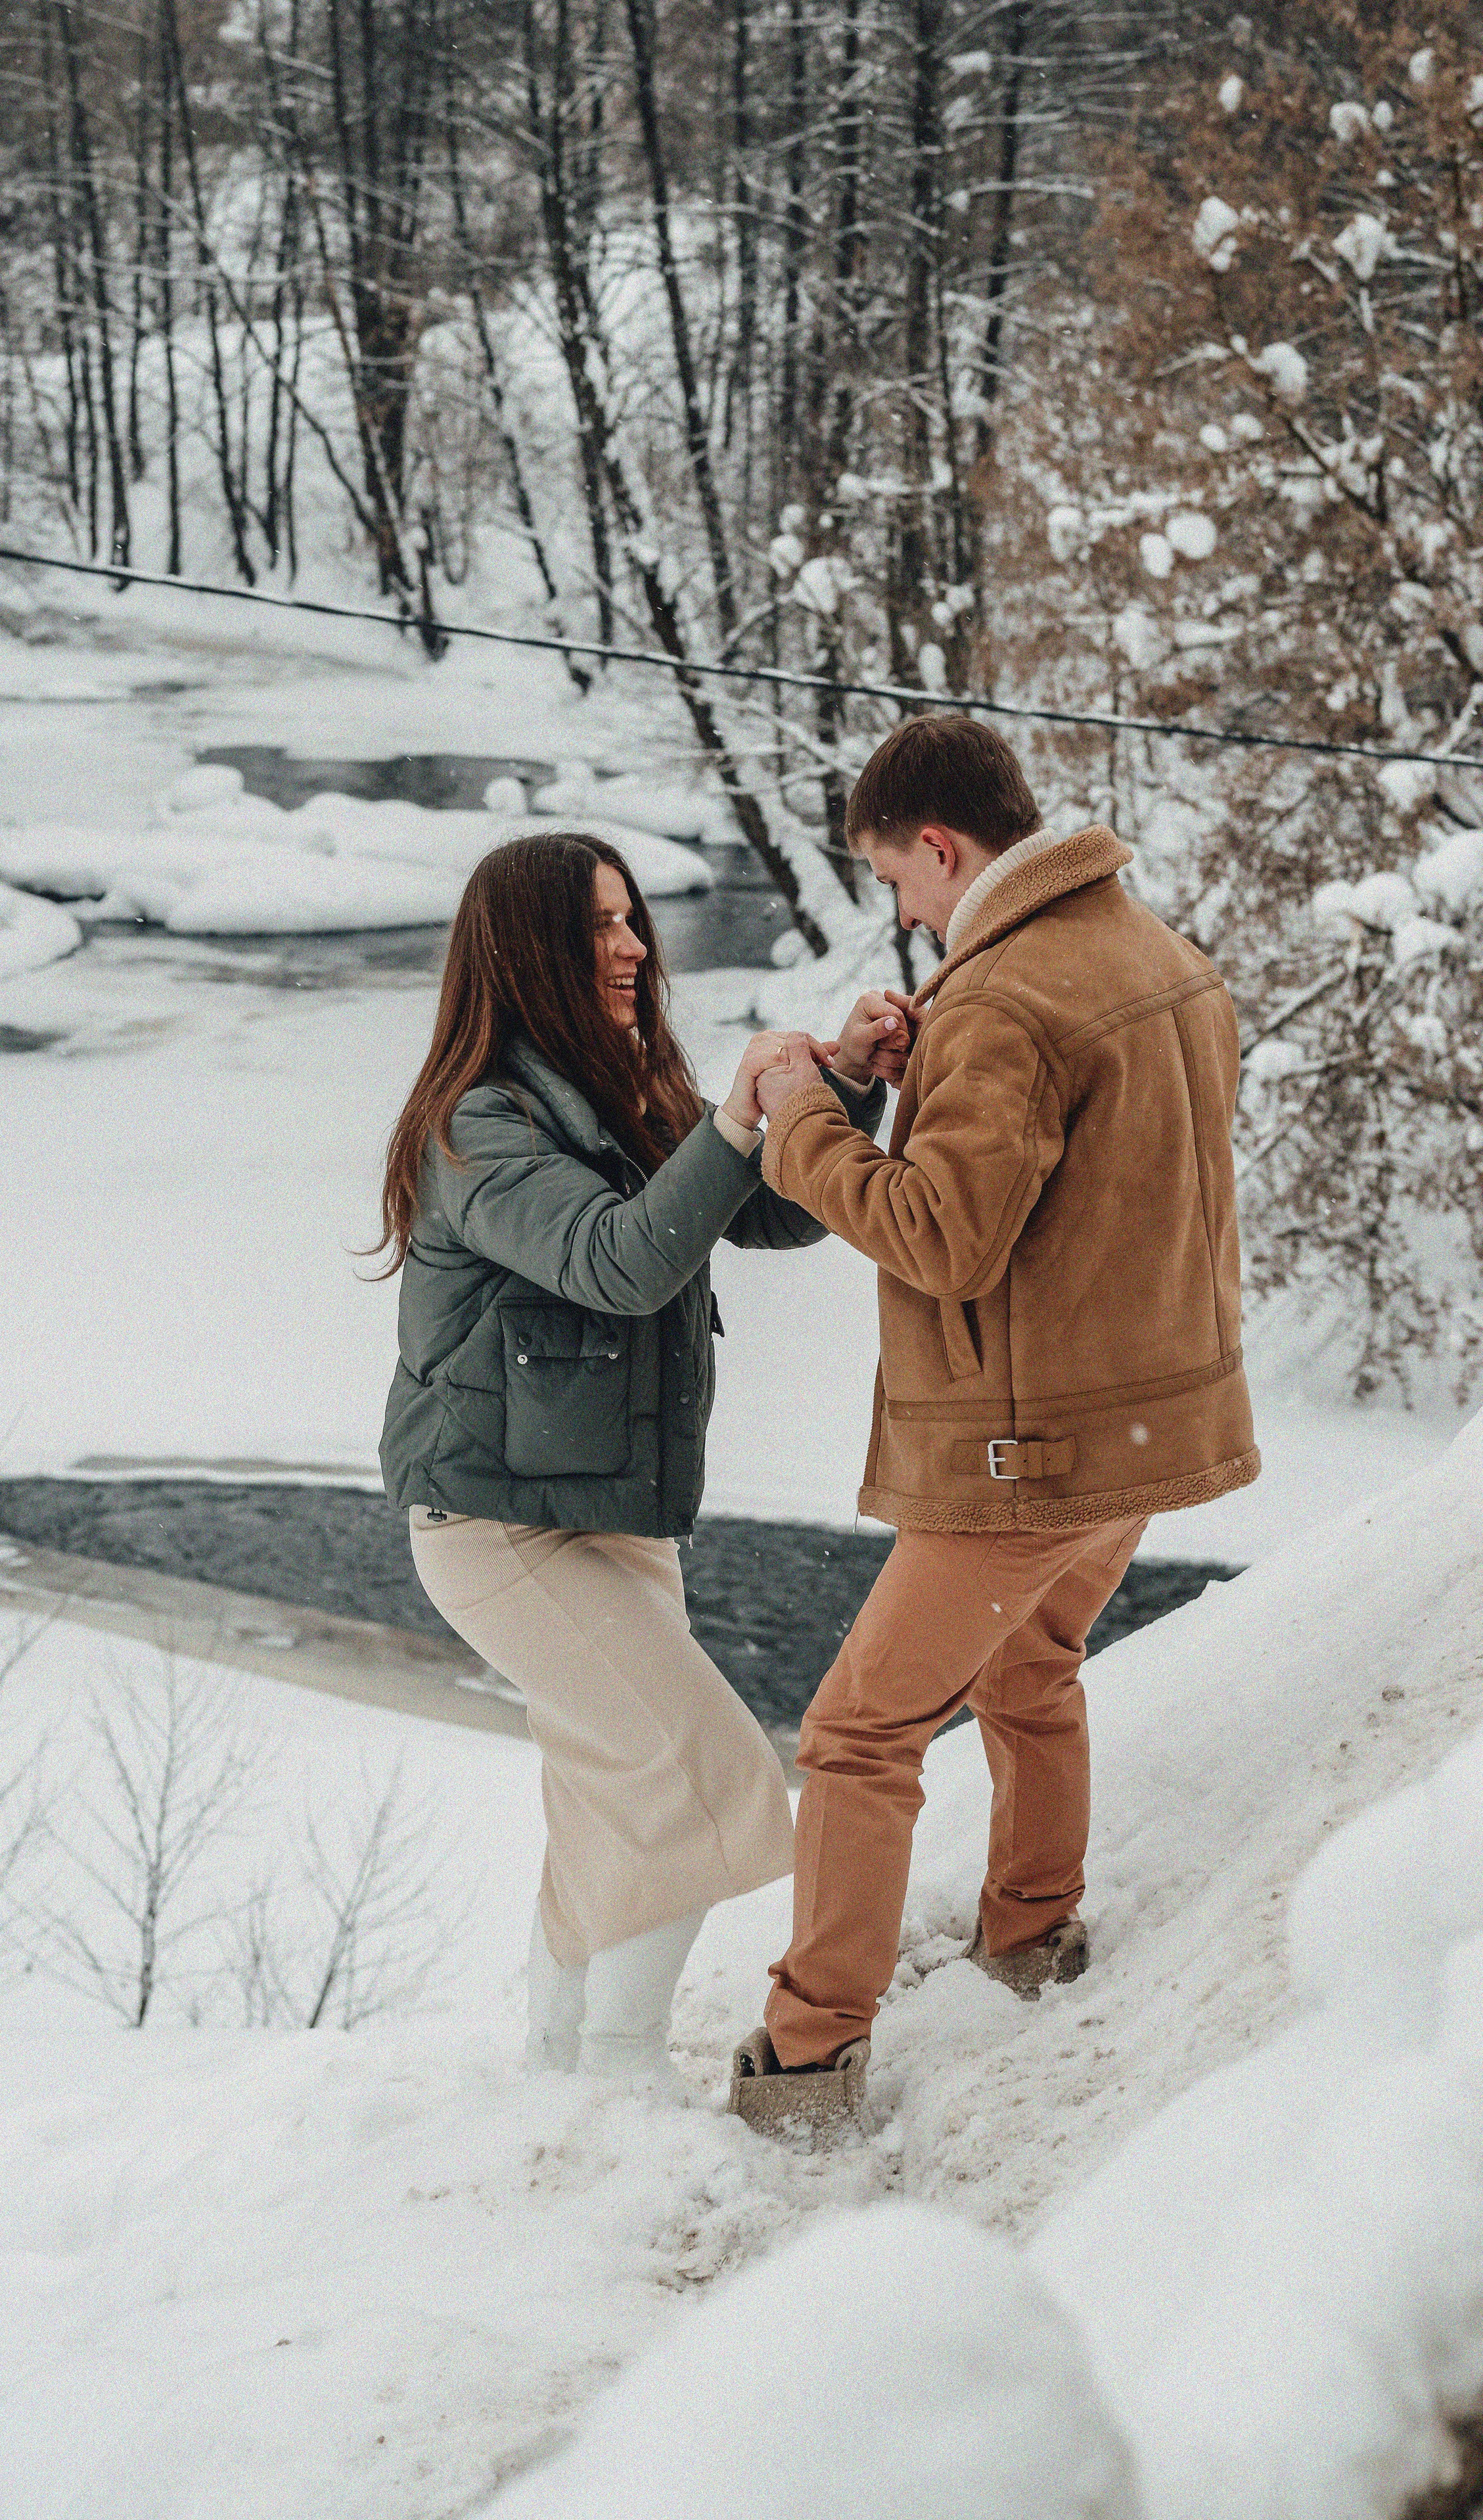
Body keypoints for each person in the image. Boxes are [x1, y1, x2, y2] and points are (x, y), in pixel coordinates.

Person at [728, 715, 1259, 2136]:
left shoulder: (1001, 1001)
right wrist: (921, 1084)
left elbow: (939, 1239)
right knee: (1030, 1669)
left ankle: (802, 2061)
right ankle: (1029, 1941)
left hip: (1033, 1455)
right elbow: (1085, 1174)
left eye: (897, 882)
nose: (899, 912)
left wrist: (800, 1117)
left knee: (853, 1734)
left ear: (943, 847)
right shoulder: (1154, 954)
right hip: (1145, 1426)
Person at [375, 831, 902, 2092]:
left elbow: (768, 1211)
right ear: (525, 954)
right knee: (698, 1775)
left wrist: (840, 1081)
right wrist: (728, 1115)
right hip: (499, 1529)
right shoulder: (476, 1125)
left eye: (629, 919)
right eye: (596, 928)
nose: (630, 945)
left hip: (614, 1513)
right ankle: (618, 2071)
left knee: (609, 1801)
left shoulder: (618, 1080)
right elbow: (621, 1260)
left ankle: (558, 2064)